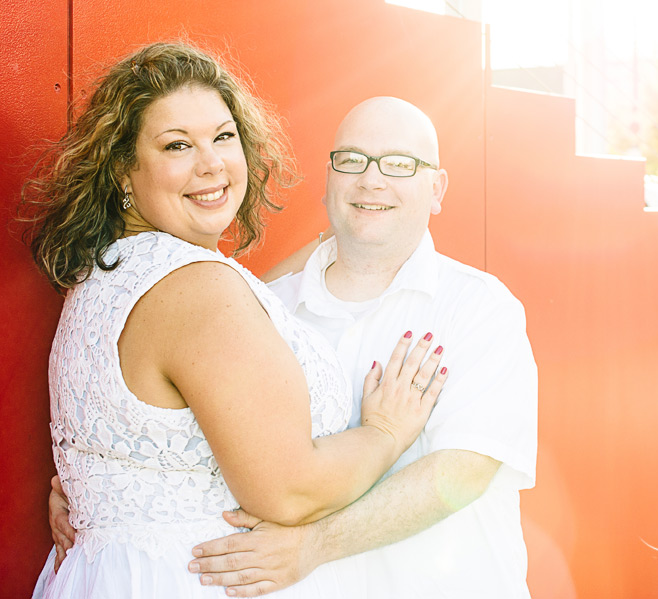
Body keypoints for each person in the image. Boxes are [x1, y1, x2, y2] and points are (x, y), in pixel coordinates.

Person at [26, 44, 446, 599]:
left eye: (223, 137)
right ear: (123, 171)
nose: (212, 164)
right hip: (198, 579)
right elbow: (290, 492)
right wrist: (384, 433)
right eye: (177, 145)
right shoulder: (197, 289)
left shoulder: (113, 273)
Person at [183, 97, 539, 597]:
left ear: (436, 188)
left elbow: (462, 472)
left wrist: (313, 546)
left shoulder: (480, 308)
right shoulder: (267, 312)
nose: (372, 180)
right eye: (352, 160)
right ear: (328, 181)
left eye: (400, 164)